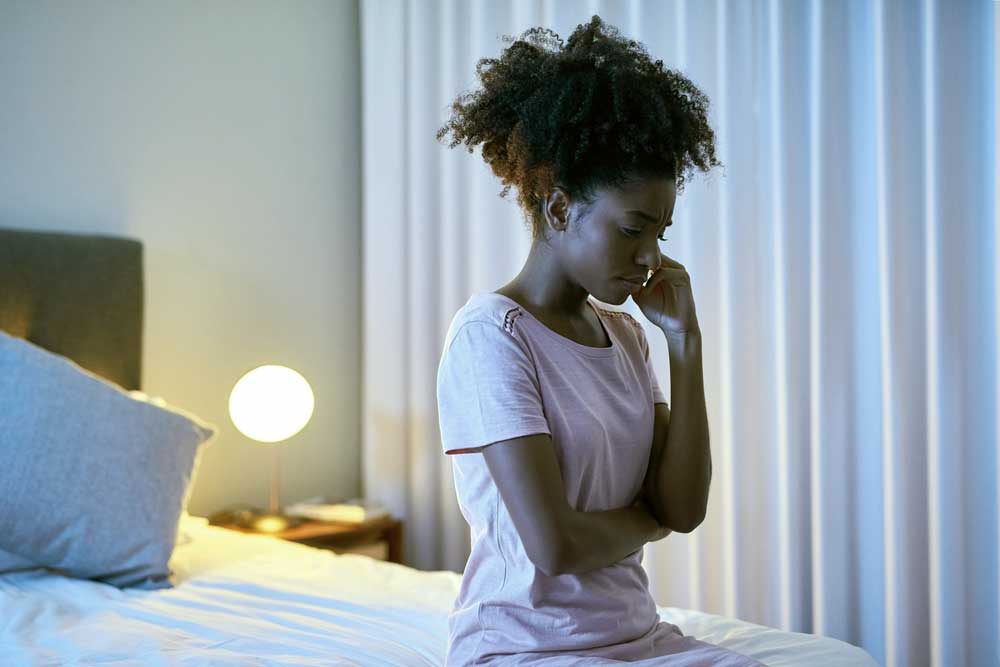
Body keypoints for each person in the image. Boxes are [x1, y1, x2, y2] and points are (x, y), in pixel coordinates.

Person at [435, 15, 761, 666]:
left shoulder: (625, 335)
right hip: (525, 648)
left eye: (660, 232)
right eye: (633, 227)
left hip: (637, 636)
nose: (650, 255)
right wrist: (650, 518)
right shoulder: (490, 339)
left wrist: (685, 345)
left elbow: (685, 504)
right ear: (559, 209)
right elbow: (553, 544)